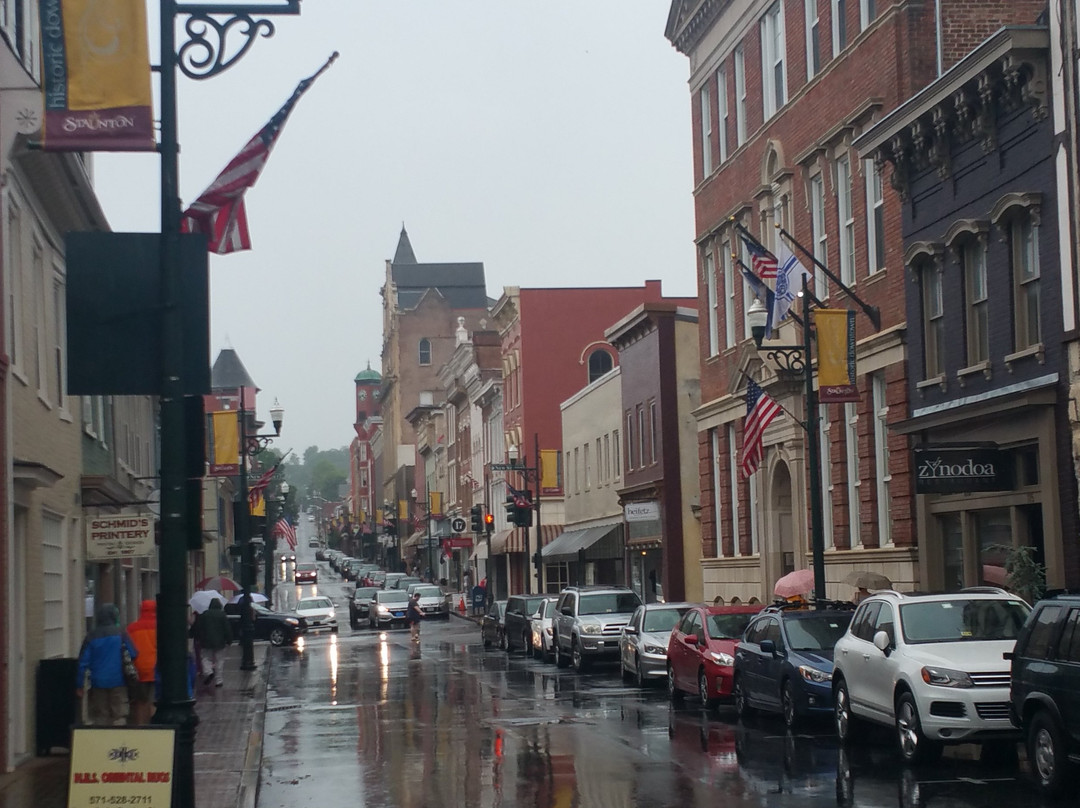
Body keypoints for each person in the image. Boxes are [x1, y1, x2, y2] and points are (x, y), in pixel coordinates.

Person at [76, 603, 137, 726]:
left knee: (100, 716)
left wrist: (79, 685)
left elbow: (82, 663)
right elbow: (133, 653)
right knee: (119, 715)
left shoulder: (91, 636)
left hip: (98, 683)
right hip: (118, 681)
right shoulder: (121, 633)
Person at [126, 600, 158, 724]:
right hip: (155, 668)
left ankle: (141, 727)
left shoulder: (131, 628)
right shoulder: (160, 626)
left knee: (140, 702)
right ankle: (152, 726)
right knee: (153, 701)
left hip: (138, 669)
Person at [194, 598, 231, 687]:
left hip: (206, 641)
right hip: (220, 642)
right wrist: (229, 640)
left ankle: (209, 672)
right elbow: (227, 628)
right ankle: (219, 681)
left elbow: (199, 628)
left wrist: (198, 638)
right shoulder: (222, 615)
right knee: (219, 660)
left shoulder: (204, 615)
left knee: (205, 658)